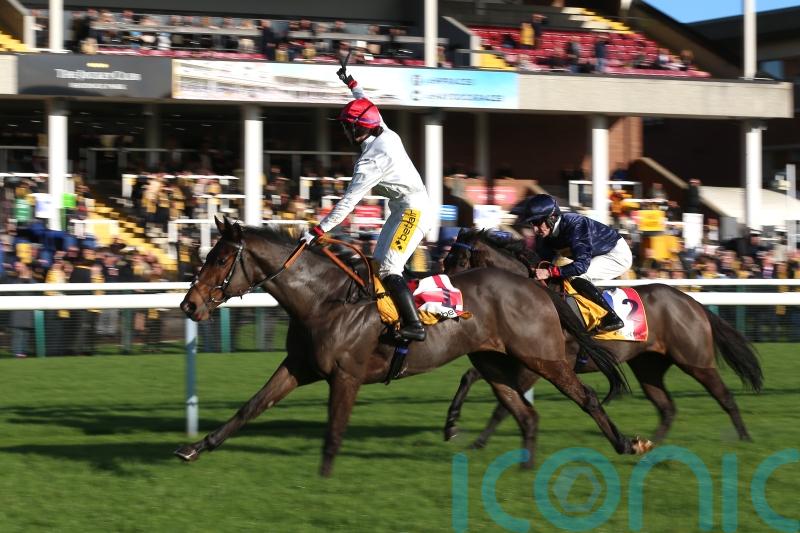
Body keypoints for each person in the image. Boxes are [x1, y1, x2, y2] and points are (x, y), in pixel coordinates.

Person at [300, 65, 433, 342]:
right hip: (402, 208)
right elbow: (365, 103)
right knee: (378, 264)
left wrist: (318, 231)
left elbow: (348, 203)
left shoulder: (371, 162)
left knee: (388, 268)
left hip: (414, 210)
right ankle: (395, 311)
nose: (346, 132)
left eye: (348, 127)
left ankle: (415, 326)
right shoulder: (381, 129)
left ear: (359, 129)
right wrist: (351, 82)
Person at [512, 194, 631, 332]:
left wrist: (550, 272)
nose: (535, 230)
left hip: (615, 254)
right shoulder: (544, 235)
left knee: (576, 276)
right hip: (594, 255)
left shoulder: (575, 224)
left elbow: (581, 266)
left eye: (538, 223)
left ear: (552, 218)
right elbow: (542, 263)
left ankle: (611, 316)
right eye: (532, 224)